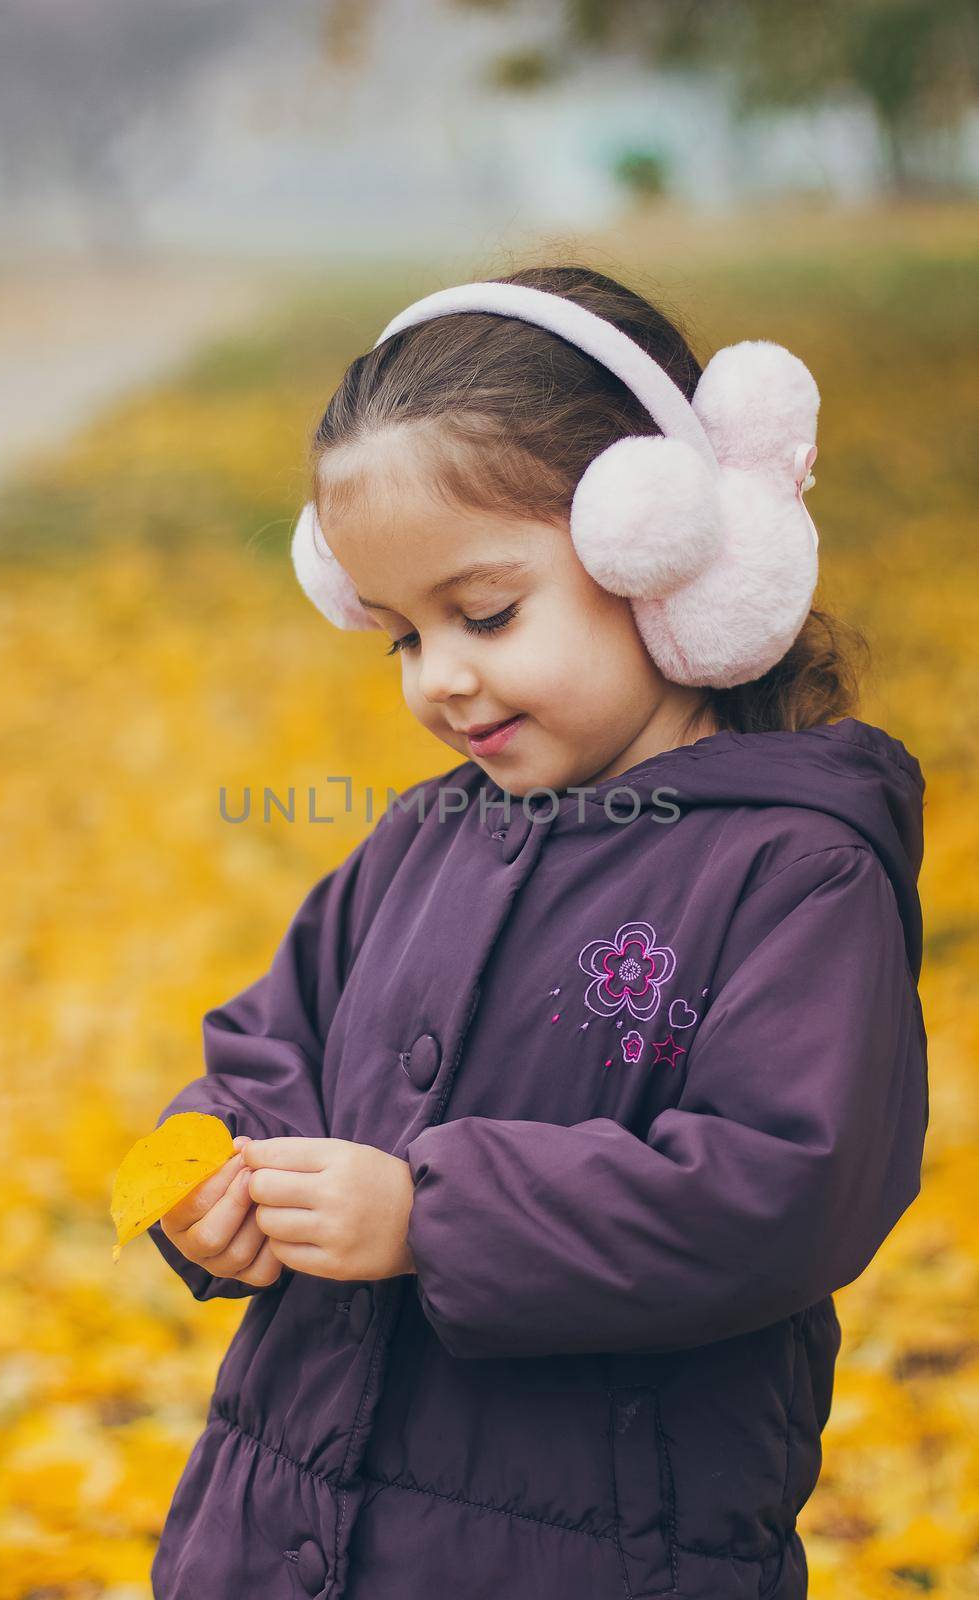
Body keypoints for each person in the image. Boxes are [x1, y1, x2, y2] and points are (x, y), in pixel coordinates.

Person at [146, 265, 929, 1600]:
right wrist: (216, 1166)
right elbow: (276, 1037)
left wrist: (434, 1218)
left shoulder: (791, 870)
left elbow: (786, 1186)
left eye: (487, 613)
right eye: (397, 637)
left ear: (672, 557)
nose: (440, 677)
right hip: (281, 1525)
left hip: (593, 1551)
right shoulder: (420, 839)